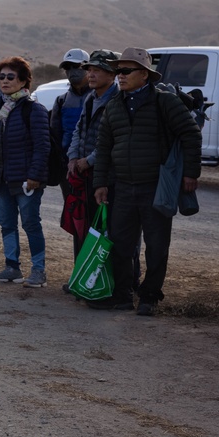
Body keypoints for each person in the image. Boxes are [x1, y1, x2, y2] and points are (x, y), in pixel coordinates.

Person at [90, 47, 201, 316]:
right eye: (118, 71)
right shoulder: (114, 105)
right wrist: (100, 183)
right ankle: (124, 295)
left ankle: (150, 297)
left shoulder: (165, 102)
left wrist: (190, 173)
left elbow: (191, 134)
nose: (120, 76)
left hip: (155, 186)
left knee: (157, 245)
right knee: (121, 244)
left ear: (144, 75)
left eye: (126, 71)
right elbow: (103, 147)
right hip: (124, 187)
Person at [0, 57, 51, 288]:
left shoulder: (34, 110)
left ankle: (39, 270)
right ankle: (12, 267)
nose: (4, 81)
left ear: (23, 81)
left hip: (25, 181)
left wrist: (35, 177)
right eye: (1, 76)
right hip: (1, 178)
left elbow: (42, 147)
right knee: (7, 225)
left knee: (31, 224)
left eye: (10, 76)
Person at [64, 50, 119, 273]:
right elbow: (79, 129)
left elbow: (114, 139)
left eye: (98, 70)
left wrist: (90, 159)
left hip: (109, 175)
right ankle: (84, 275)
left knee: (111, 230)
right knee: (84, 227)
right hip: (85, 175)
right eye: (90, 70)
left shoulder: (118, 100)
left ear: (112, 74)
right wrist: (73, 157)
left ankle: (114, 281)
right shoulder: (90, 98)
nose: (91, 75)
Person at [49, 49, 90, 200]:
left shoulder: (99, 97)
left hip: (93, 163)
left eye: (76, 66)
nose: (72, 71)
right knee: (72, 207)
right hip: (68, 165)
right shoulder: (61, 101)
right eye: (68, 68)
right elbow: (55, 135)